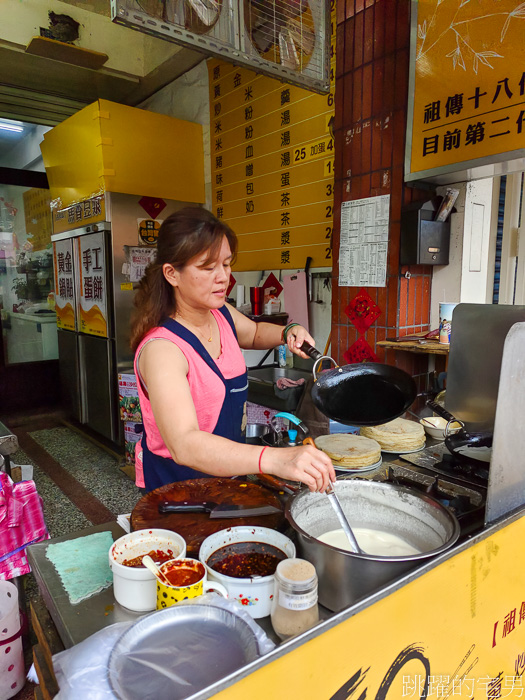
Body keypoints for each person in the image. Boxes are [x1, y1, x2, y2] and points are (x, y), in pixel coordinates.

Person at [130, 207, 335, 494]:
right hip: (175, 490)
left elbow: (252, 332)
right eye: (207, 267)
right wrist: (275, 460)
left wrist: (287, 332)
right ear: (172, 274)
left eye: (226, 264)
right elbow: (185, 444)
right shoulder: (163, 350)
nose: (223, 277)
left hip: (224, 477)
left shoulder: (220, 312)